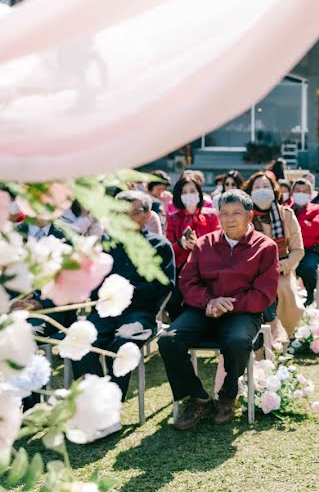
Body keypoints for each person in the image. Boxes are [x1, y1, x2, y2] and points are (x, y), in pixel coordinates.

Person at [158, 189, 279, 429]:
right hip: (205, 309)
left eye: (236, 213)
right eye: (224, 213)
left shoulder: (266, 247)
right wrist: (208, 302)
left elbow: (264, 293)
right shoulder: (205, 243)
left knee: (237, 341)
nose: (230, 218)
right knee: (168, 339)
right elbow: (187, 281)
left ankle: (227, 395)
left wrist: (229, 304)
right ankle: (197, 397)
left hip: (244, 312)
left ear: (250, 215)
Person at [73, 190, 175, 401]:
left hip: (140, 314)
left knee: (122, 342)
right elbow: (92, 283)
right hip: (104, 310)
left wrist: (124, 292)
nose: (127, 219)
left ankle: (112, 403)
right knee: (80, 341)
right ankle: (95, 400)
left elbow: (162, 287)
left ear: (148, 215)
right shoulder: (104, 246)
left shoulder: (160, 246)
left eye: (135, 213)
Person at [244, 171, 305, 345]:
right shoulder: (243, 217)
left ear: (274, 190)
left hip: (282, 270)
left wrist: (281, 267)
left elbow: (298, 250)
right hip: (251, 273)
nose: (261, 190)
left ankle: (282, 336)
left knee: (285, 294)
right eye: (257, 187)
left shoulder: (286, 215)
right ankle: (261, 339)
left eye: (265, 187)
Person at [165, 173, 220, 319]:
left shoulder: (211, 216)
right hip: (180, 267)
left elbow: (218, 242)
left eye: (192, 191)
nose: (188, 195)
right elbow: (168, 247)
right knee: (173, 299)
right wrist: (181, 244)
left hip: (205, 267)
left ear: (199, 193)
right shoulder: (173, 218)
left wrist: (199, 245)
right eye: (184, 192)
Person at [289, 179, 319, 296]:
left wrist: (294, 225)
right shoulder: (286, 209)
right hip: (288, 251)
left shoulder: (318, 209)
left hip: (310, 251)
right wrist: (306, 223)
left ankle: (310, 298)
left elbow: (316, 229)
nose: (301, 193)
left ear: (310, 194)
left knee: (309, 268)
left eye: (305, 191)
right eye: (298, 191)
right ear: (292, 193)